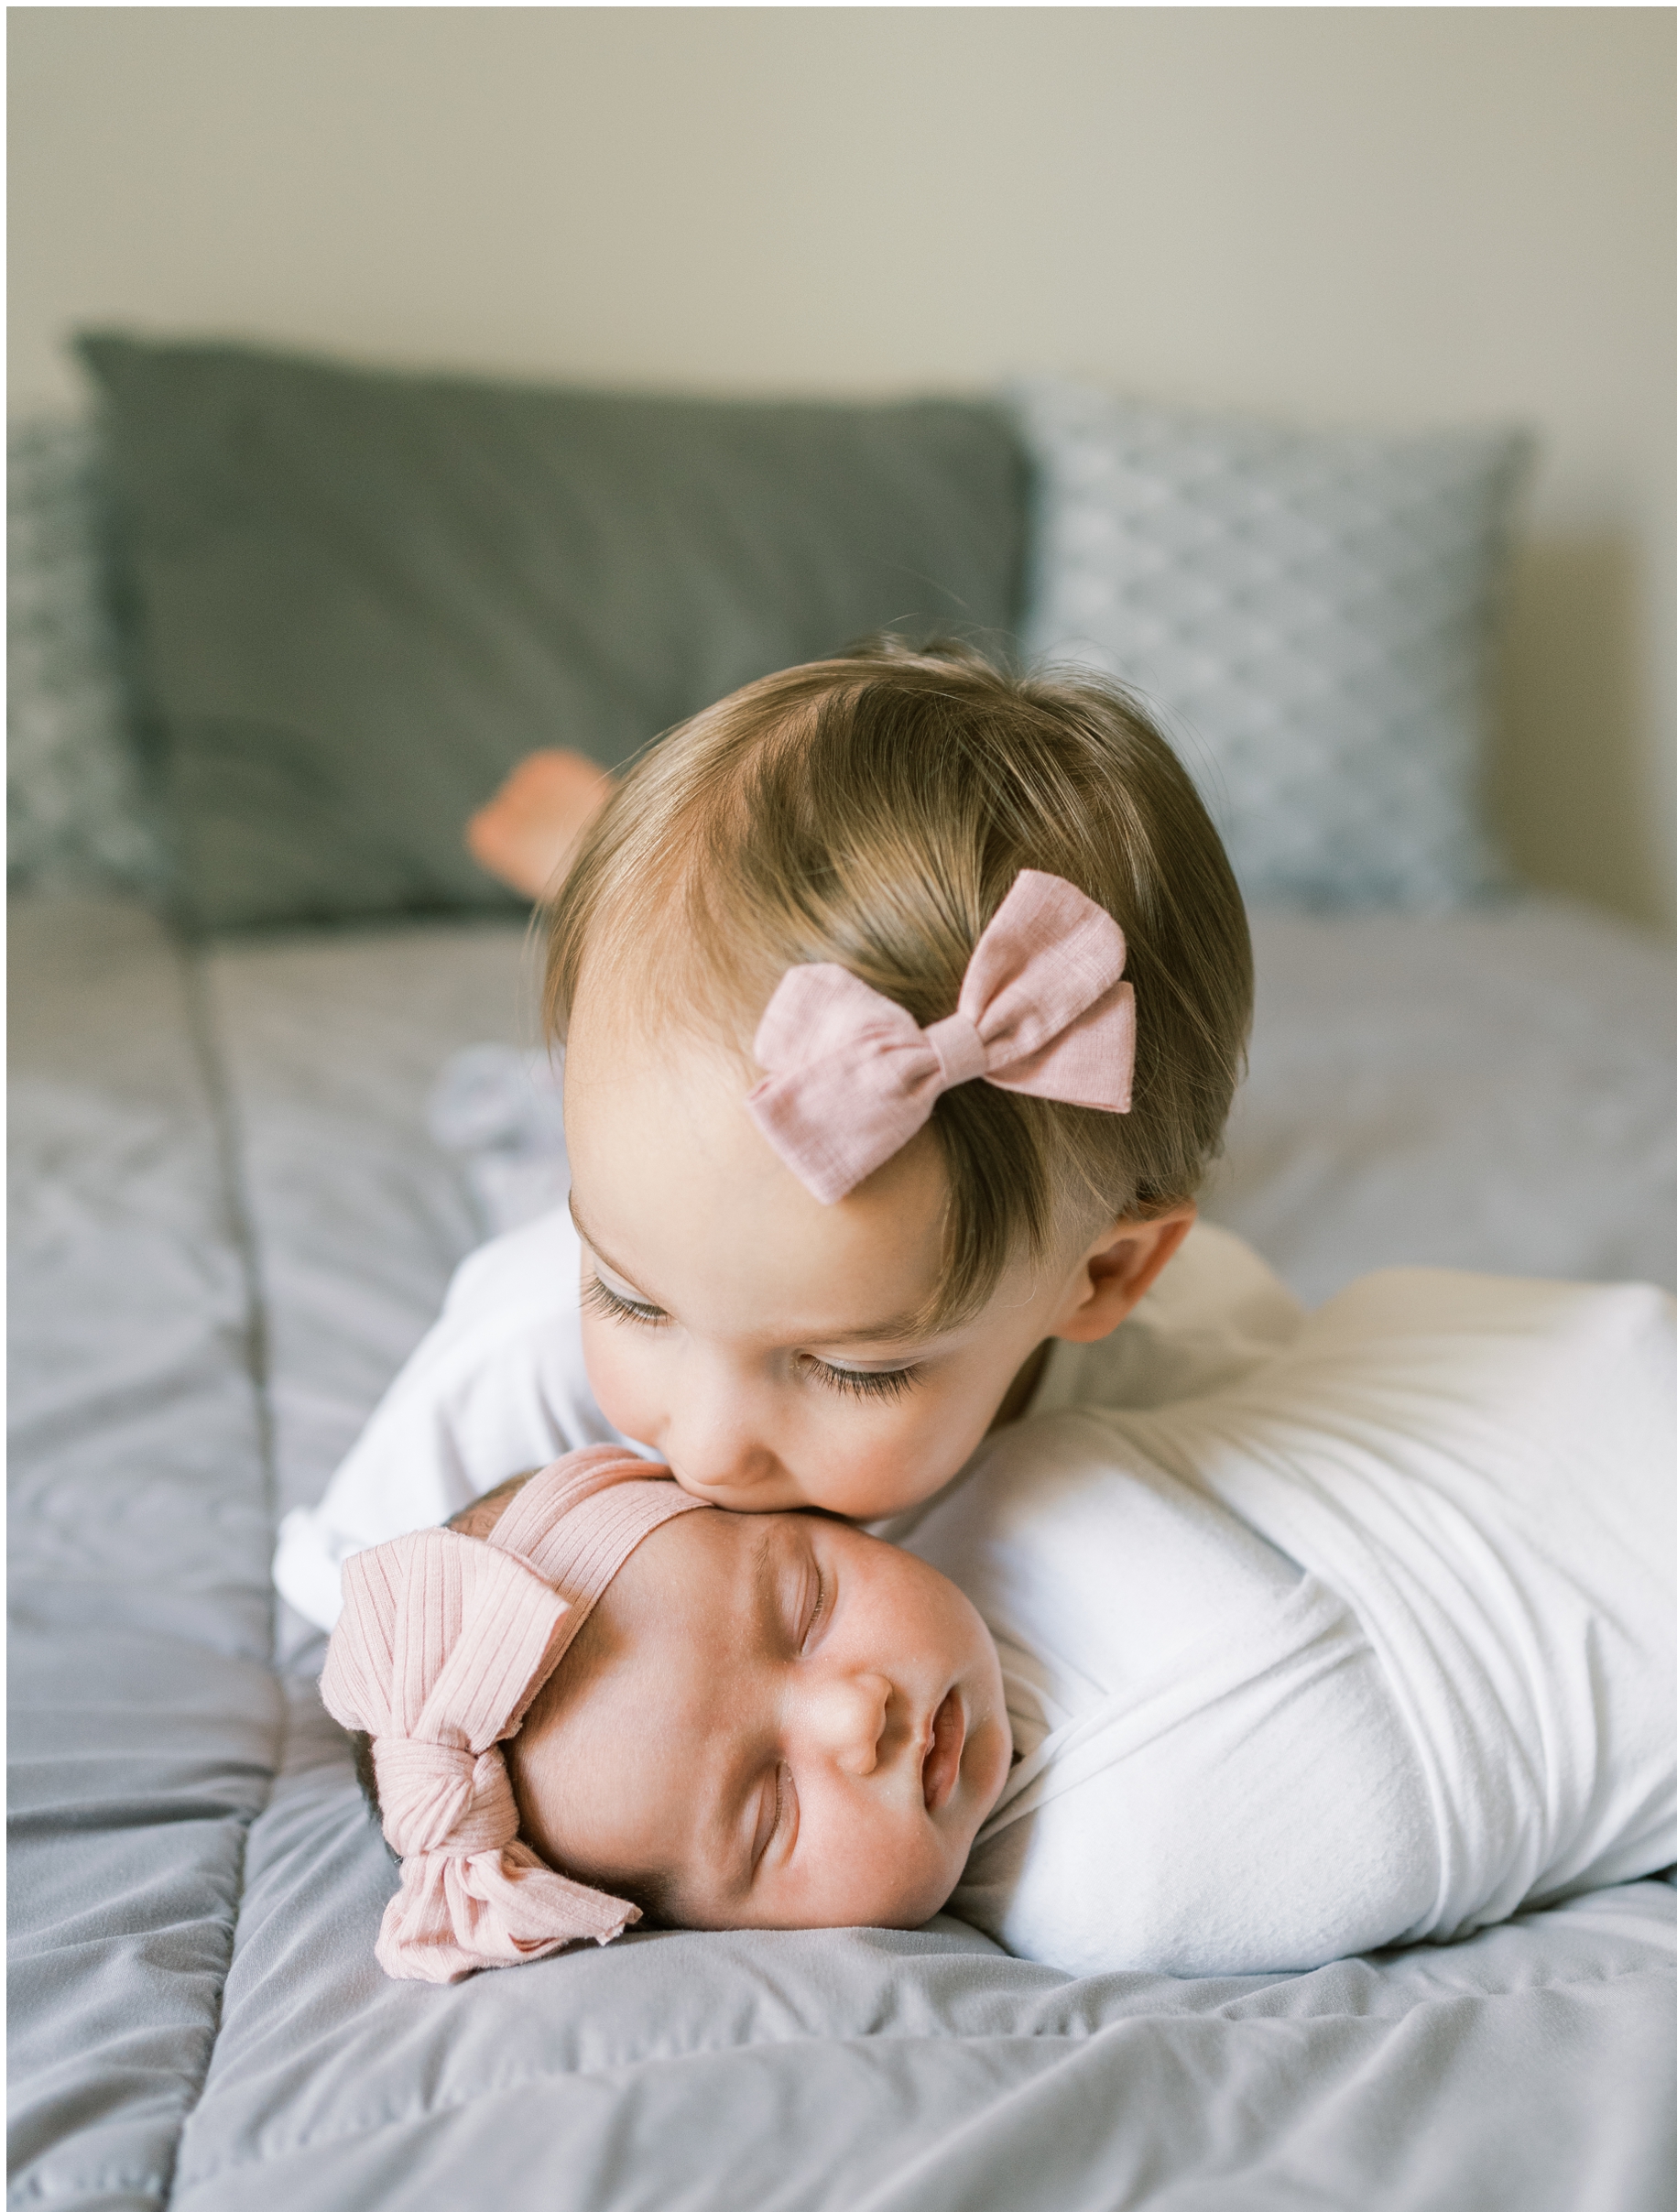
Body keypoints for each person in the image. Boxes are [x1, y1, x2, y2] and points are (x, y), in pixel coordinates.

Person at [326, 1260, 1677, 1988]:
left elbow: (1211, 1317)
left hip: (1616, 1393)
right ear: (698, 1928)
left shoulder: (1013, 1476)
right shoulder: (1092, 1909)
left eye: (798, 1601)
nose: (854, 1715)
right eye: (765, 1805)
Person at [274, 637, 1283, 1629]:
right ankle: (588, 857)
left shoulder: (1196, 1371)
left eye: (851, 1367)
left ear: (1106, 1277)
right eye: (628, 1301)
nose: (707, 1451)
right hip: (600, 1182)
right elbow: (367, 1618)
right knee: (565, 1128)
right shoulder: (524, 1360)